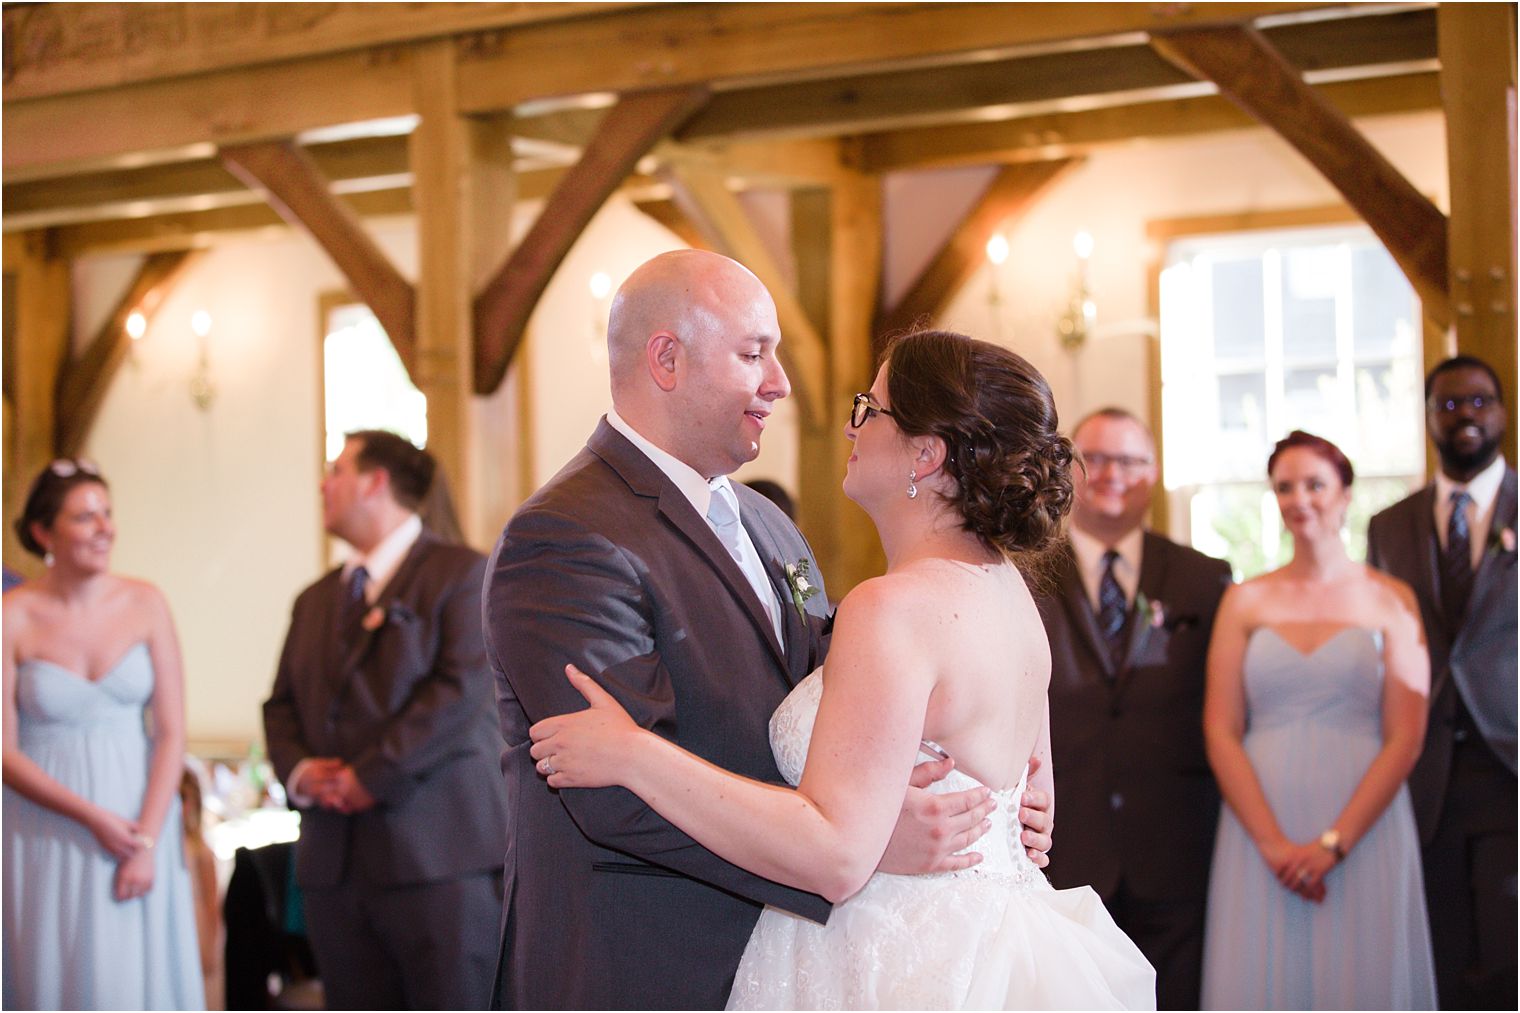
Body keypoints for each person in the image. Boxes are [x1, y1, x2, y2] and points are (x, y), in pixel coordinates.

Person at [484, 252, 1054, 1010]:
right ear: (667, 359)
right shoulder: (565, 534)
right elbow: (609, 792)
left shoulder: (769, 523)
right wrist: (859, 843)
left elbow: (839, 707)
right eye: (755, 354)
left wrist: (931, 804)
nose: (782, 382)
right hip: (646, 962)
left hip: (831, 957)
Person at [262, 430, 506, 1009]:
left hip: (437, 856)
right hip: (336, 866)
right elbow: (281, 706)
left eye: (336, 470)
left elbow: (459, 693)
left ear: (375, 483)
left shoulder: (463, 575)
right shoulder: (316, 599)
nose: (323, 484)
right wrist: (301, 772)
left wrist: (366, 776)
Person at [1199, 431, 1435, 1009]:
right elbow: (1220, 729)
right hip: (1262, 824)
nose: (1299, 499)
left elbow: (1406, 735)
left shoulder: (1392, 600)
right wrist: (1274, 844)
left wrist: (1333, 844)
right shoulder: (1245, 601)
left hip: (1363, 821)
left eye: (1315, 484)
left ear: (1346, 494)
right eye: (1284, 487)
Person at [1035, 407, 1231, 1010]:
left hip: (1173, 842)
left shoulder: (1204, 580)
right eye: (1099, 459)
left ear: (1154, 475)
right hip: (1064, 843)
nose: (1115, 473)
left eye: (1132, 460)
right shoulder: (1026, 572)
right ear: (1069, 470)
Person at [2, 459, 204, 1009]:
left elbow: (170, 733)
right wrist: (91, 817)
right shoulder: (11, 616)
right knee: (52, 967)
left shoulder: (146, 603)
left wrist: (145, 840)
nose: (104, 528)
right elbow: (2, 751)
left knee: (130, 972)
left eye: (107, 514)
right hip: (43, 819)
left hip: (138, 814)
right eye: (85, 517)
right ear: (45, 533)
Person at [1367, 355, 1516, 1009]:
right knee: (1442, 958)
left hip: (1509, 765)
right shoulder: (1388, 526)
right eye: (1449, 404)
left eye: (1480, 401)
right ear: (1428, 417)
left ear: (1503, 413)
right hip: (1424, 771)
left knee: (1510, 955)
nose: (1465, 415)